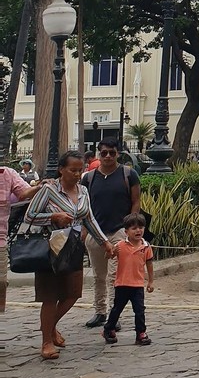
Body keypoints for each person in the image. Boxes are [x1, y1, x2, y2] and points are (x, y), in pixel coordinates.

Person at [22, 150, 116, 360]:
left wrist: (105, 242)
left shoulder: (83, 190)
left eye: (79, 170)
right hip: (51, 247)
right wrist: (53, 216)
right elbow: (30, 216)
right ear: (61, 170)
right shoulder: (48, 189)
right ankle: (46, 341)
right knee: (50, 296)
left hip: (73, 246)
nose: (76, 174)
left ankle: (50, 327)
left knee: (73, 293)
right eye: (72, 170)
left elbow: (89, 220)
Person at [81, 141, 141, 329]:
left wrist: (131, 228)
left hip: (119, 231)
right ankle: (100, 311)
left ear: (118, 154)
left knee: (114, 275)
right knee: (99, 275)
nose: (108, 156)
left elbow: (136, 201)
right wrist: (84, 230)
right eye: (104, 153)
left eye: (112, 153)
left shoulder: (128, 174)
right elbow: (83, 206)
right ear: (99, 154)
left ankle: (114, 316)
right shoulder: (89, 178)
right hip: (96, 231)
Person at [102, 213, 154, 346]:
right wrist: (109, 251)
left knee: (140, 310)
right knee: (117, 309)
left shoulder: (146, 247)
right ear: (126, 232)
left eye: (141, 227)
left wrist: (151, 281)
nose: (138, 231)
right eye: (134, 228)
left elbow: (149, 264)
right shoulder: (120, 245)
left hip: (137, 285)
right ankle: (109, 329)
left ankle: (141, 333)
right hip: (122, 284)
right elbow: (109, 256)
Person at [0, 164, 42, 315]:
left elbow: (24, 193)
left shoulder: (7, 174)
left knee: (1, 282)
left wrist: (40, 187)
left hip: (1, 241)